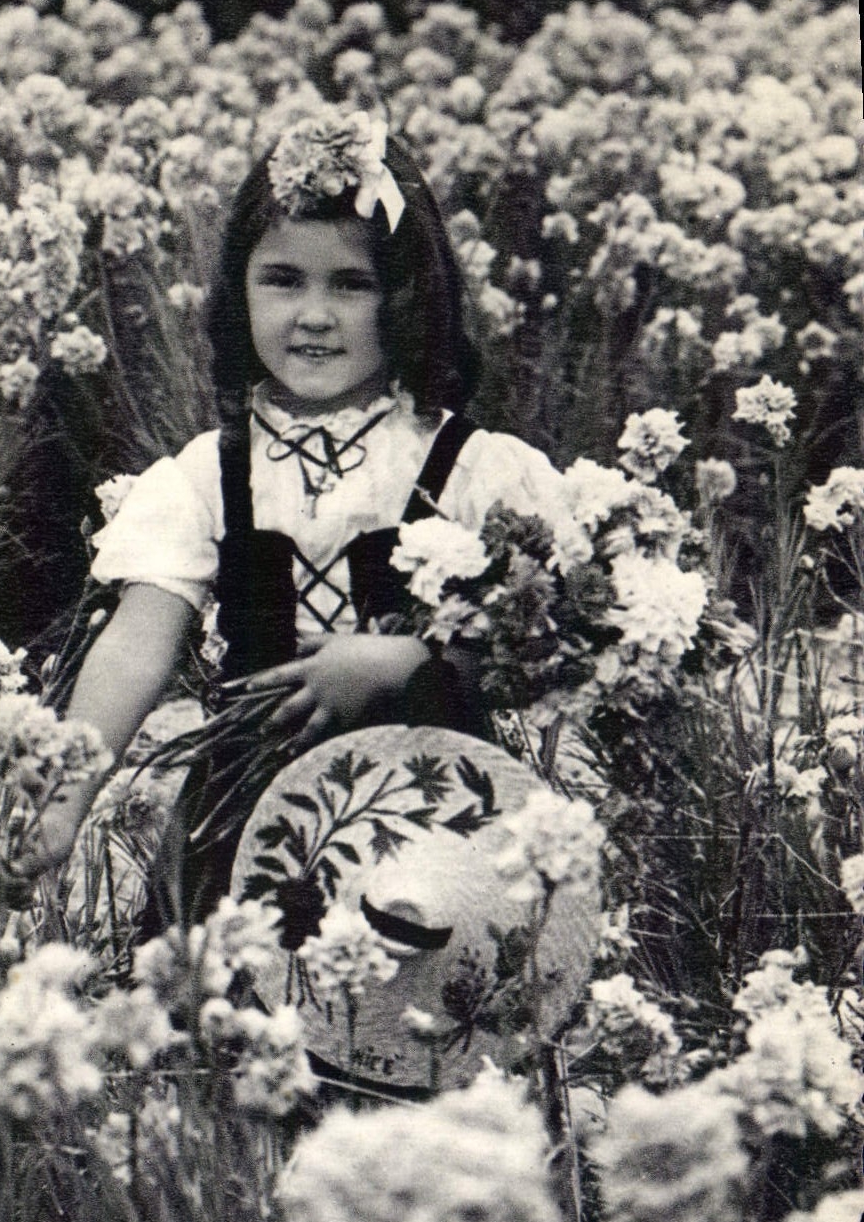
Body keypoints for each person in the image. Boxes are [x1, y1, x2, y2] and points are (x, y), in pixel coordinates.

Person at [33, 108, 568, 926]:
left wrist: (400, 660)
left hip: (431, 806)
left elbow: (542, 638)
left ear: (409, 297)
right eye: (282, 279)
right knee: (213, 1015)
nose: (313, 315)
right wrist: (63, 801)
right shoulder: (209, 474)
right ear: (239, 288)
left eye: (351, 285)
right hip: (248, 813)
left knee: (417, 1007)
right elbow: (137, 645)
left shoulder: (468, 466)